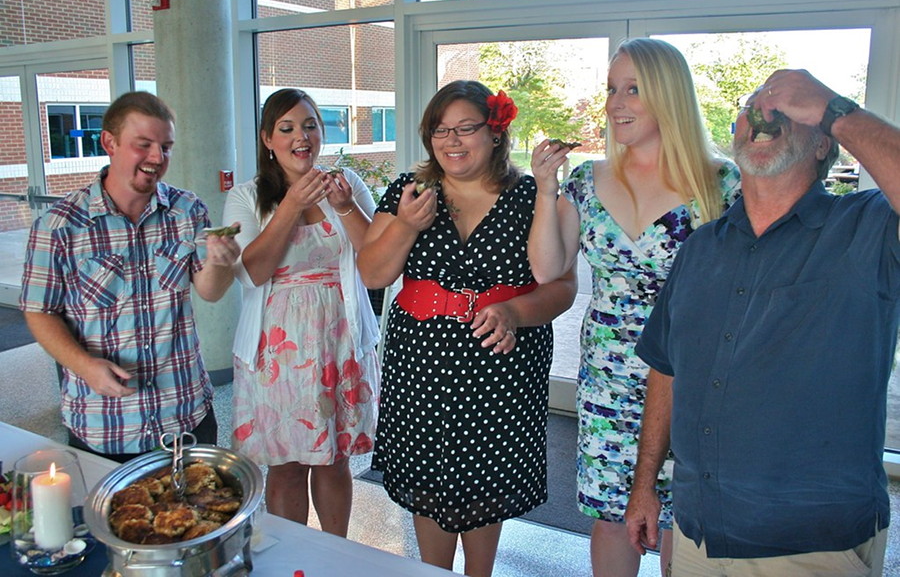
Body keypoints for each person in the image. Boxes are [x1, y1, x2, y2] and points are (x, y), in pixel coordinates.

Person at [625, 69, 900, 576]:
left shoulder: (868, 229)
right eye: (755, 106)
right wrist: (645, 486)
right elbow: (666, 370)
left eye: (790, 111)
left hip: (808, 543)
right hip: (697, 534)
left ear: (823, 145)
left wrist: (835, 109)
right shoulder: (700, 248)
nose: (766, 112)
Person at [527, 38, 740, 577]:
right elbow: (549, 270)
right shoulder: (585, 181)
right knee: (611, 511)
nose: (615, 102)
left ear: (668, 96)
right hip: (609, 377)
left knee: (681, 518)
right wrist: (544, 186)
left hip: (694, 375)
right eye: (610, 89)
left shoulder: (722, 184)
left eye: (633, 89)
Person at [357, 80, 577, 576]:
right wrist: (407, 225)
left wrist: (516, 312)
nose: (451, 141)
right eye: (440, 130)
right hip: (421, 359)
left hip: (502, 357)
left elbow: (561, 285)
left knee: (484, 477)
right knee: (429, 475)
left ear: (496, 133)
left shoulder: (530, 196)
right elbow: (372, 273)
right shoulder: (408, 191)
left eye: (465, 129)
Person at [19, 91, 240, 463]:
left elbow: (210, 291)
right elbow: (39, 312)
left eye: (166, 147)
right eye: (144, 145)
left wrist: (222, 263)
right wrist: (84, 366)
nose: (158, 158)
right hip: (105, 423)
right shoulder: (59, 226)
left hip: (186, 414)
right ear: (110, 142)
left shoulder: (187, 210)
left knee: (203, 517)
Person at [223, 88, 380, 537]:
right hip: (277, 349)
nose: (301, 137)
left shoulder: (346, 182)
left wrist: (345, 205)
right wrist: (291, 205)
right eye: (287, 128)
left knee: (334, 458)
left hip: (340, 337)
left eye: (310, 125)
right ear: (267, 139)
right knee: (286, 463)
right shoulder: (247, 196)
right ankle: (291, 553)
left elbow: (376, 256)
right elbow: (250, 271)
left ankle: (336, 553)